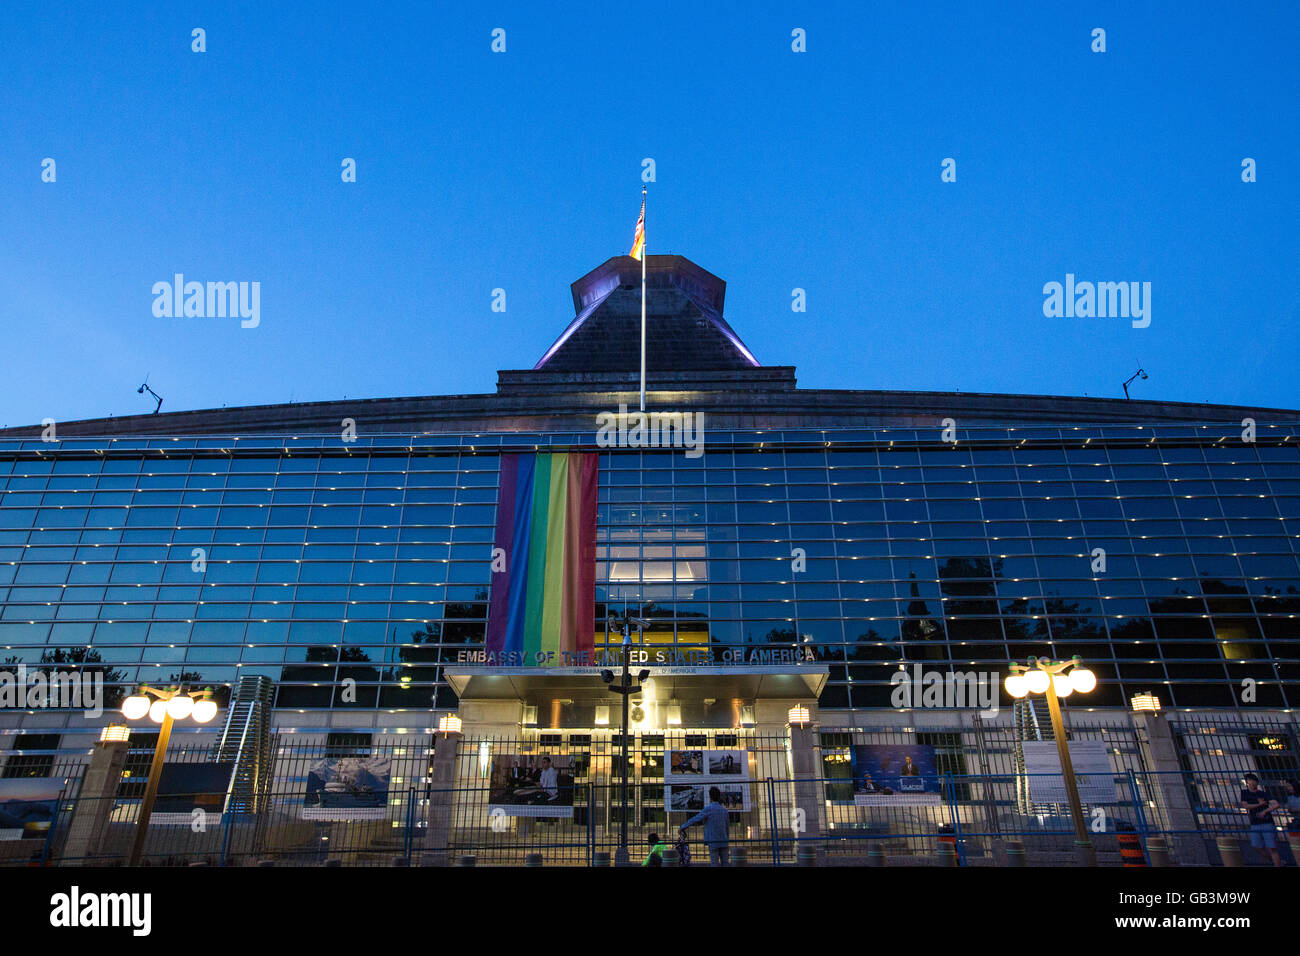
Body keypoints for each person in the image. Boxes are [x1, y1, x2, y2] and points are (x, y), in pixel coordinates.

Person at [680, 786, 730, 866]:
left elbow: (695, 819)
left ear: (710, 797)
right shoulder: (724, 810)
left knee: (714, 863)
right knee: (725, 863)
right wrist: (727, 838)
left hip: (713, 841)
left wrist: (683, 827)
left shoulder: (709, 809)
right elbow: (727, 827)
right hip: (724, 841)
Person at [1240, 773, 1282, 866]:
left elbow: (1276, 804)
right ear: (1247, 782)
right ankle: (1273, 861)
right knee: (1256, 846)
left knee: (1271, 847)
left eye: (1254, 781)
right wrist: (1260, 805)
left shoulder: (1263, 793)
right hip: (1255, 822)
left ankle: (1277, 863)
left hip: (1266, 822)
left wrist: (1265, 811)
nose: (1252, 783)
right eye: (1250, 781)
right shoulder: (1245, 793)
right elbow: (1245, 805)